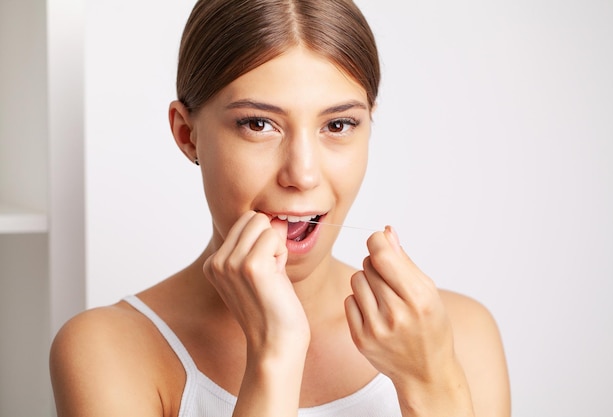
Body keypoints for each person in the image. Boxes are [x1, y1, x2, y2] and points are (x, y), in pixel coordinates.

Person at [50, 0, 510, 416]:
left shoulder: (460, 334)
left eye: (339, 124)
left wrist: (431, 384)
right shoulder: (107, 350)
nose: (302, 174)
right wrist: (274, 355)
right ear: (187, 134)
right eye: (259, 124)